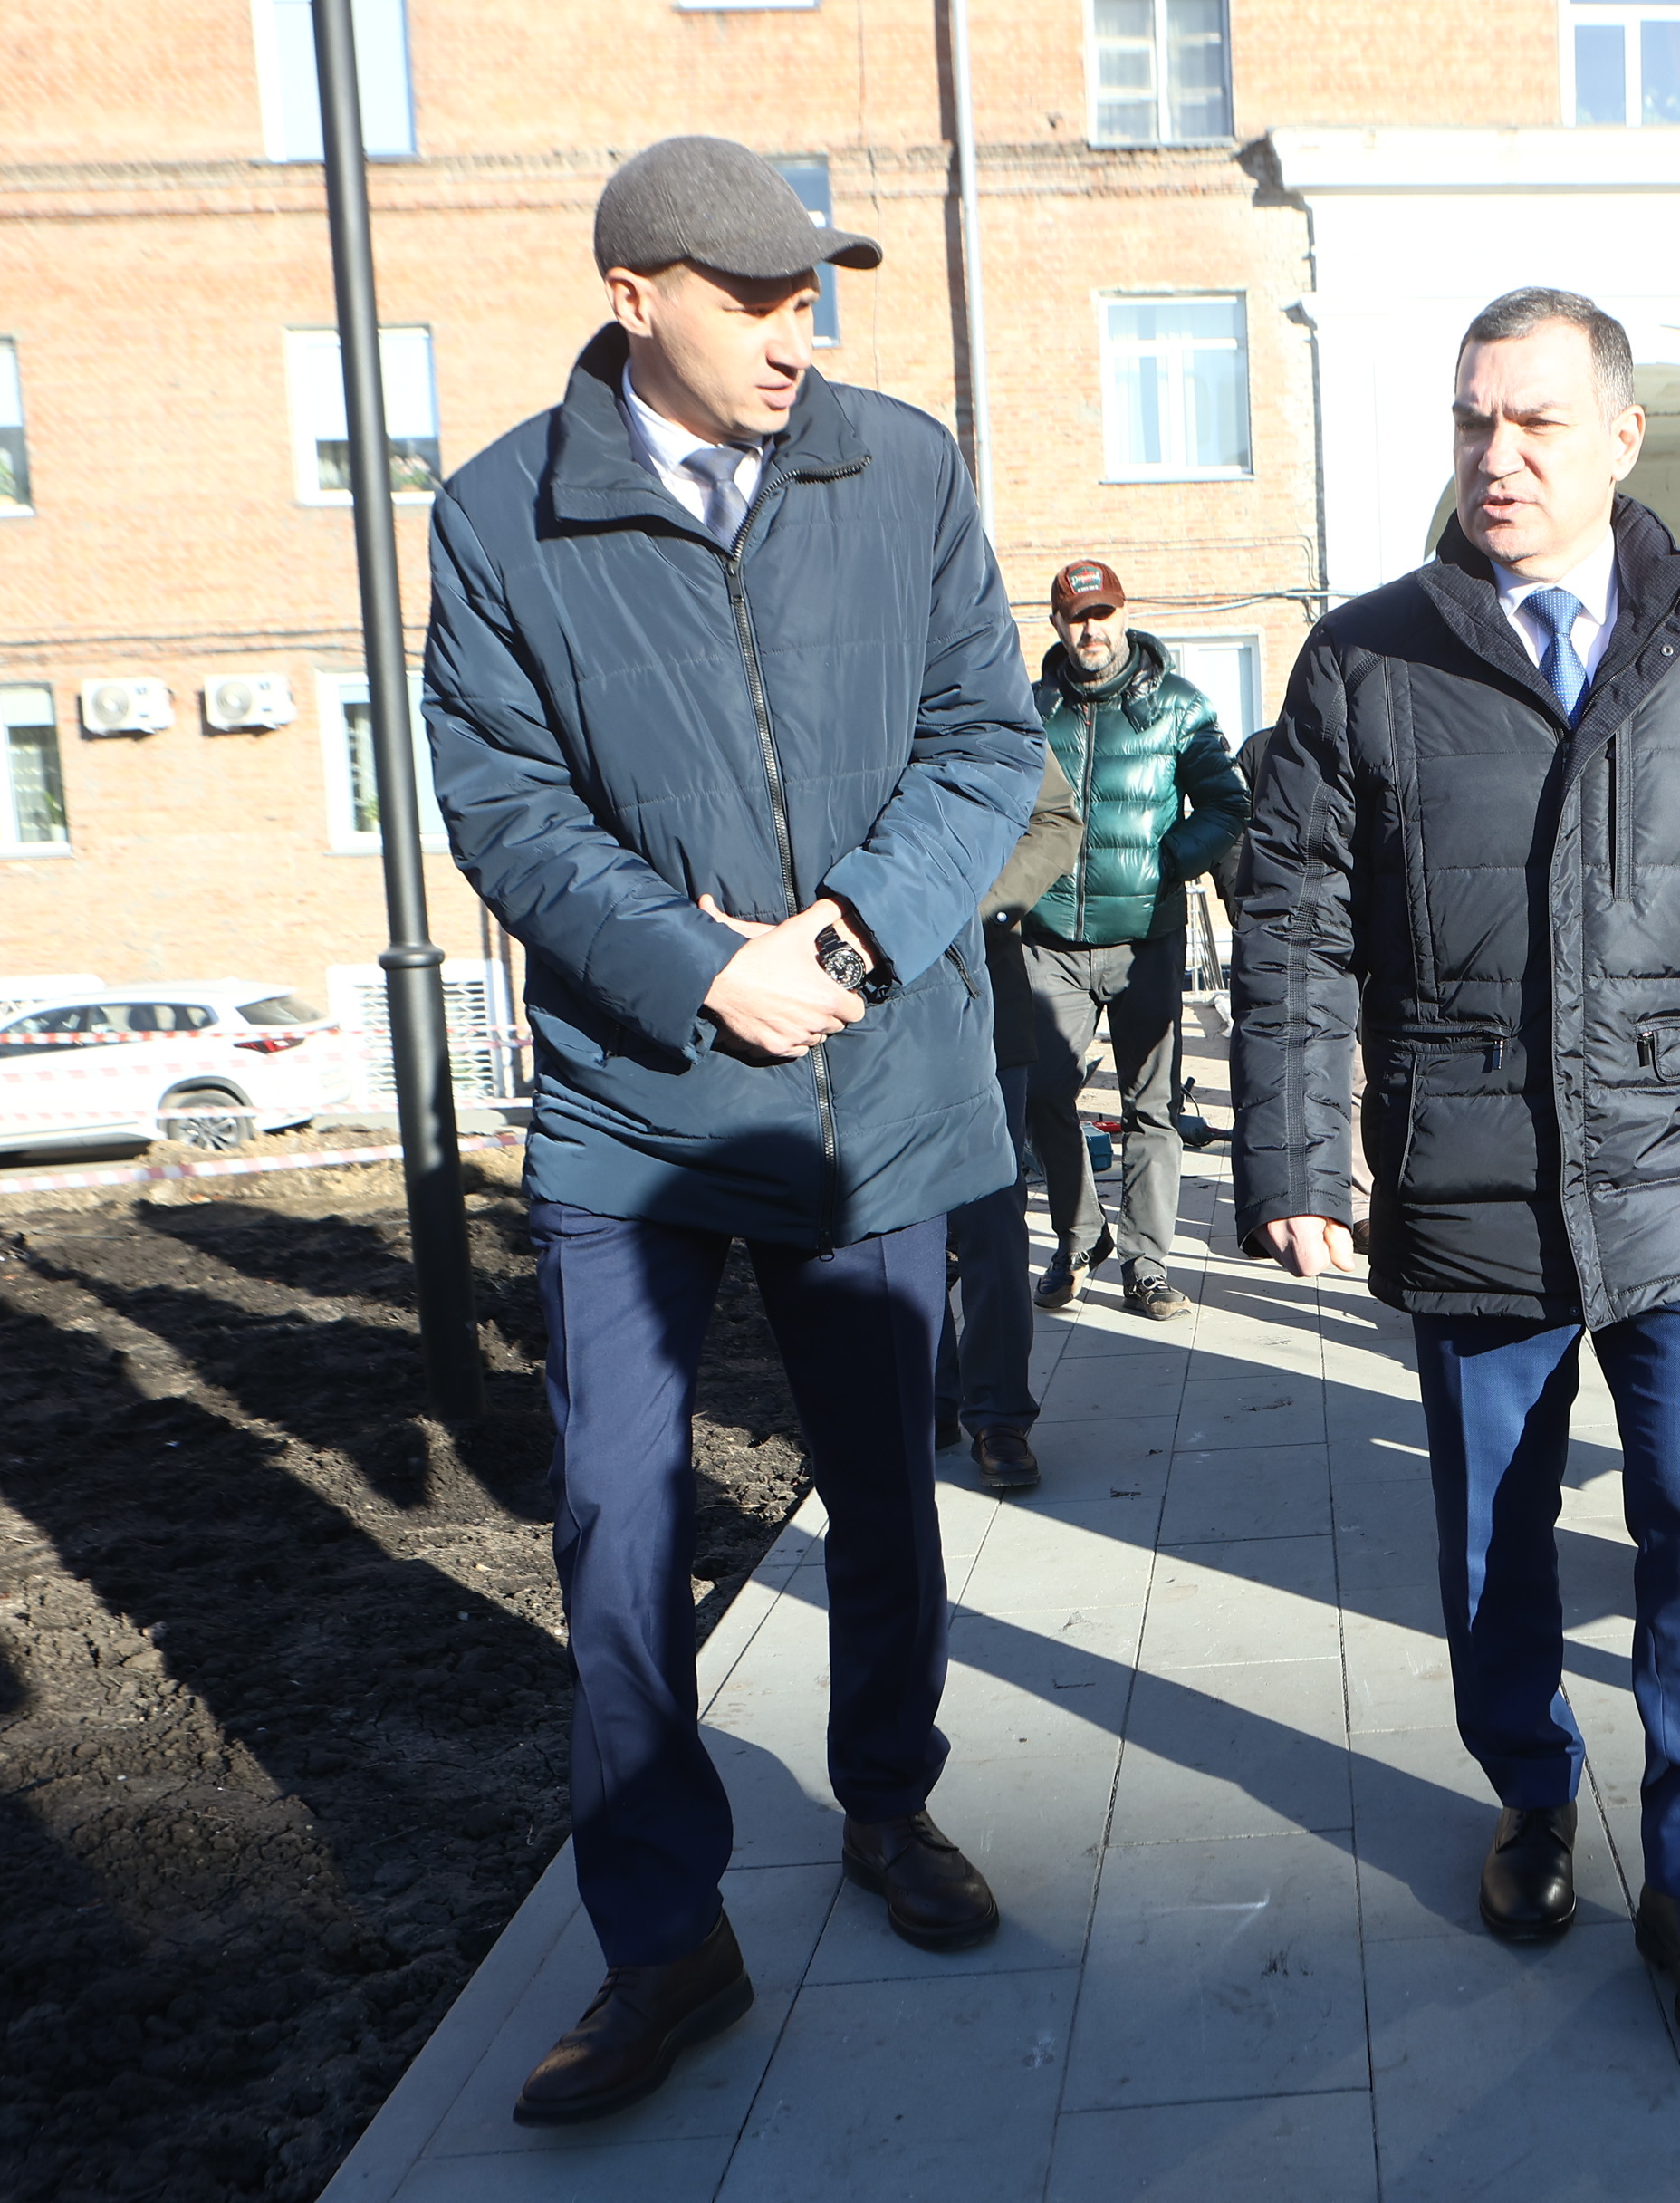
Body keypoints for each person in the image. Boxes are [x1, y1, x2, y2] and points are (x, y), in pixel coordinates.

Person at [420, 137, 1045, 2124]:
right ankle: (661, 1931)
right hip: (638, 1110)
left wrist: (843, 936)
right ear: (634, 297)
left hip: (873, 1089)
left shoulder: (902, 467)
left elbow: (988, 739)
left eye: (809, 299)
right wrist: (703, 968)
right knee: (618, 1519)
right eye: (754, 301)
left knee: (883, 1487)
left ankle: (888, 1801)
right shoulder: (499, 513)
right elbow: (503, 804)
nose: (797, 336)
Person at [1233, 288, 1680, 2048]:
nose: (1496, 457)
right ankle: (1528, 1789)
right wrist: (1293, 1150)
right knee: (1489, 1546)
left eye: (1532, 422)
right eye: (1472, 422)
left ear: (1619, 437)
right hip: (1470, 1175)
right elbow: (1290, 921)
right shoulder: (1367, 657)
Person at [1021, 559, 1250, 1323]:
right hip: (1049, 938)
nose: (1091, 629)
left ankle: (1146, 1264)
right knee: (1044, 1094)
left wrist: (1167, 864)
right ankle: (1079, 1238)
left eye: (1103, 614)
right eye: (1077, 617)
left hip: (1146, 937)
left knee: (1151, 1107)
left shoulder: (1178, 705)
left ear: (1123, 615)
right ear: (1057, 625)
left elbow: (1226, 804)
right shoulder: (1031, 710)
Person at [941, 751, 1082, 1493]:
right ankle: (926, 1397)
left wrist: (966, 907)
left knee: (992, 1221)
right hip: (852, 1004)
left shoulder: (981, 689)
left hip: (981, 995)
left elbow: (1054, 818)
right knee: (889, 1226)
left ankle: (997, 1414)